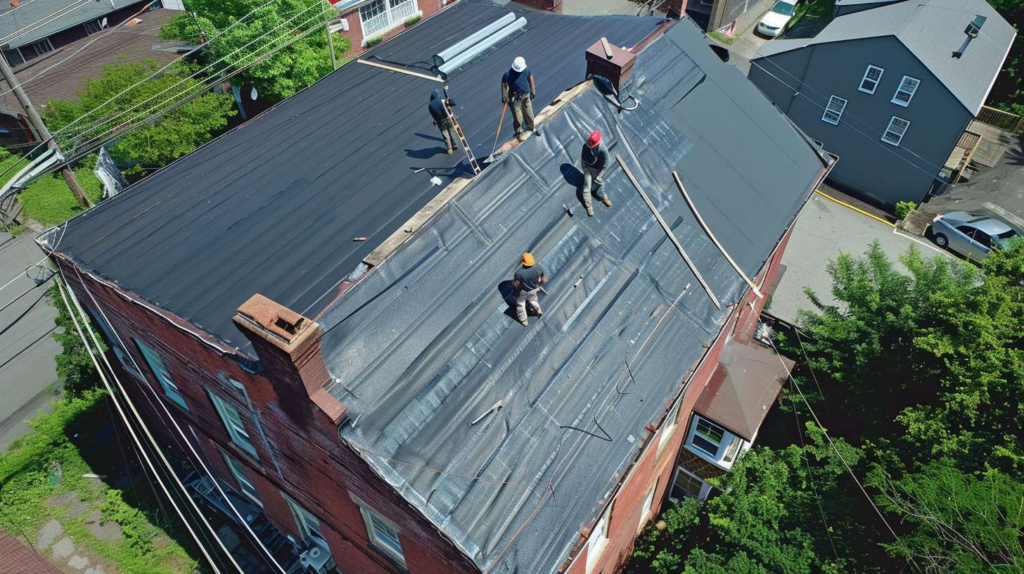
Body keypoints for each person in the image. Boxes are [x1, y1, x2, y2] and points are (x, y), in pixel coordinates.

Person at [501, 56, 536, 142]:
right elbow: (504, 84)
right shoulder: (508, 75)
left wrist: (533, 90)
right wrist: (504, 96)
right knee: (518, 118)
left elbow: (530, 77)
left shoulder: (525, 70)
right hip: (515, 99)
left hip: (526, 96)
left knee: (530, 115)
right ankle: (519, 132)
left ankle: (530, 128)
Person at [581, 130, 611, 217]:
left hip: (596, 169)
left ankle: (603, 197)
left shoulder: (603, 150)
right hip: (587, 167)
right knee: (587, 187)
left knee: (600, 184)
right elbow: (583, 160)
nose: (589, 144)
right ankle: (589, 206)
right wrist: (585, 169)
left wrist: (600, 175)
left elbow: (606, 162)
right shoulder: (586, 147)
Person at [513, 252, 546, 326]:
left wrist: (515, 292)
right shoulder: (537, 269)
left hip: (524, 292)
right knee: (533, 300)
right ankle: (539, 311)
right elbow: (543, 279)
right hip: (534, 289)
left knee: (521, 304)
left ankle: (524, 321)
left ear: (523, 262)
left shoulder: (519, 273)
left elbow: (516, 284)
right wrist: (539, 285)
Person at [428, 88, 457, 155]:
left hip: (440, 122)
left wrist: (435, 121)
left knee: (445, 134)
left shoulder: (430, 106)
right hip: (448, 118)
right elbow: (450, 102)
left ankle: (450, 149)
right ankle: (455, 144)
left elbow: (434, 115)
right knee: (451, 131)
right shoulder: (442, 101)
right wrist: (445, 91)